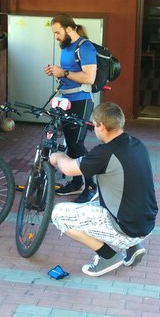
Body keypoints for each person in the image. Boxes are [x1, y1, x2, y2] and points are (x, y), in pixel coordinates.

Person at [49, 102, 159, 277]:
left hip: (128, 228)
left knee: (59, 215)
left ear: (101, 126)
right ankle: (132, 248)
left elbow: (68, 169)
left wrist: (58, 156)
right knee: (105, 192)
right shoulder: (136, 143)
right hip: (146, 222)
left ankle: (108, 257)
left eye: (94, 124)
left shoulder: (105, 152)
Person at [44, 14, 97, 203]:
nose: (56, 37)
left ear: (68, 29)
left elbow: (89, 78)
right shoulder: (66, 47)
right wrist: (57, 73)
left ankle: (91, 186)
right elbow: (70, 74)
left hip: (81, 100)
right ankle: (76, 182)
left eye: (57, 32)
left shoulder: (86, 47)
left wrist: (64, 72)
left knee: (77, 144)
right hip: (66, 99)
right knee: (70, 143)